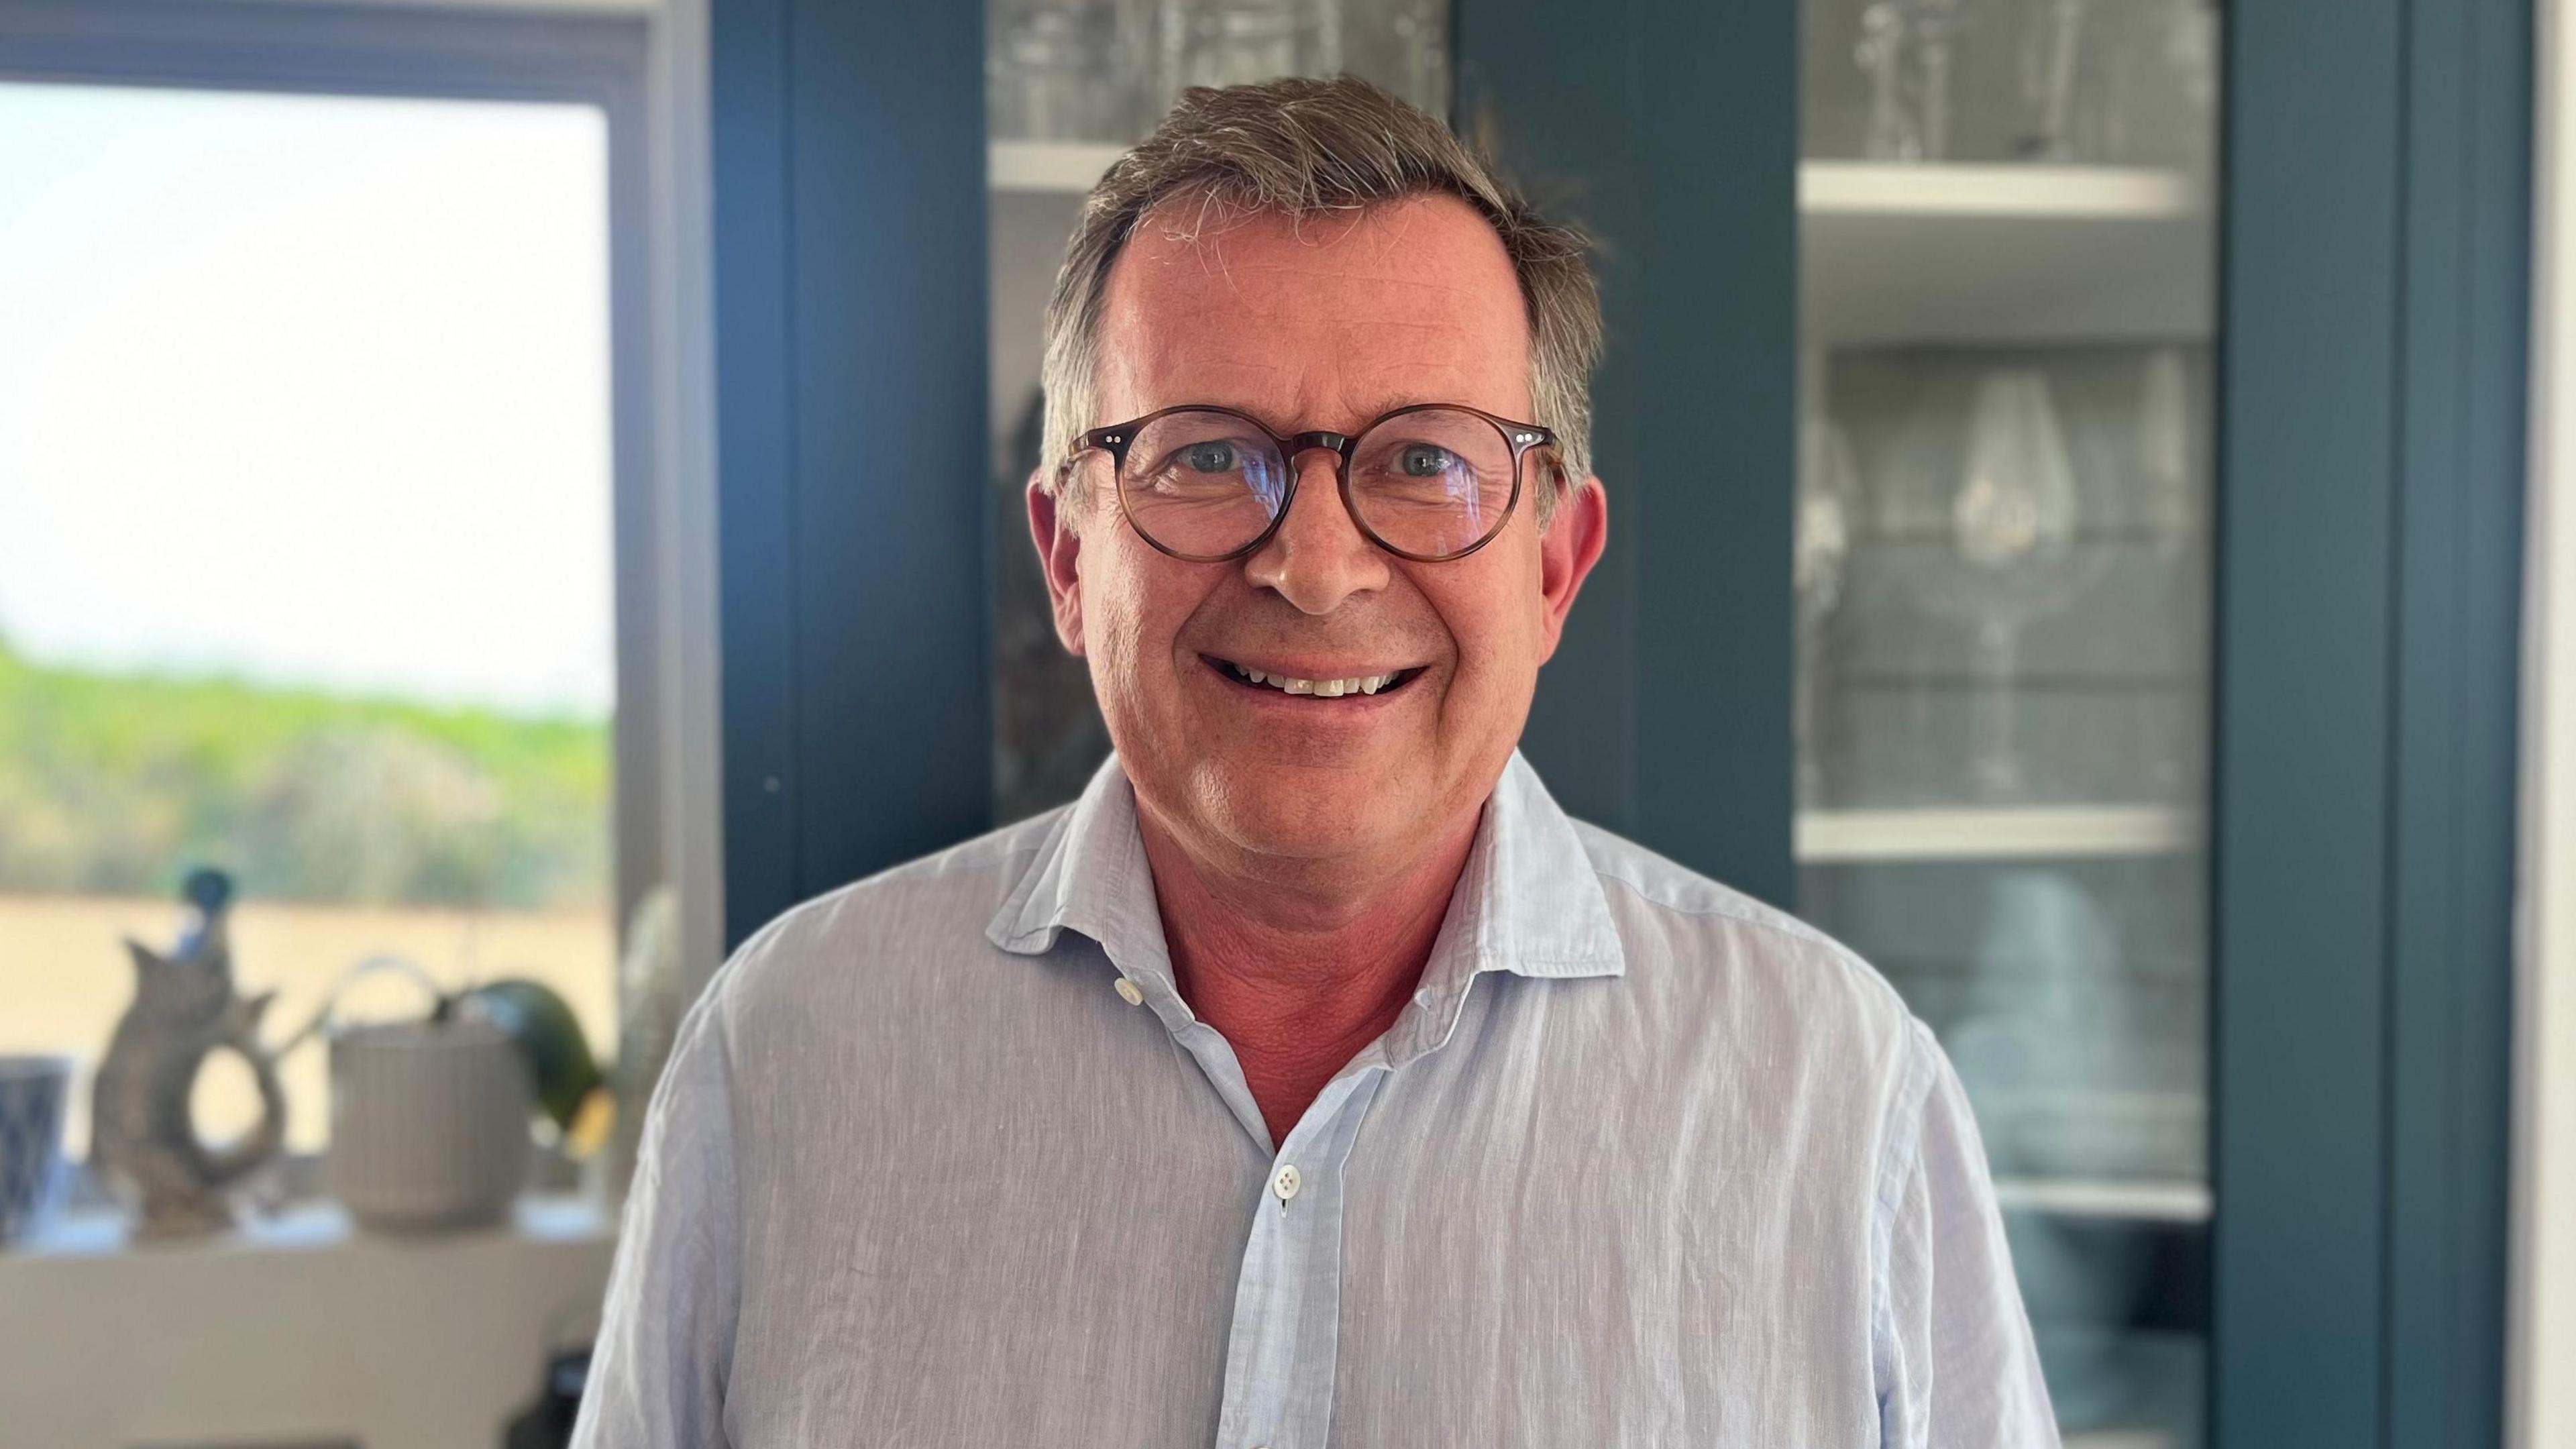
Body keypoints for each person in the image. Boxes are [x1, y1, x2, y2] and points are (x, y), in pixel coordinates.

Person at [576, 75, 2057, 1448]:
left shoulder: (1835, 1098)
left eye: (1426, 459)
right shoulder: (784, 1055)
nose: (1317, 566)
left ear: (1555, 567)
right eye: (1207, 455)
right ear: (1067, 555)